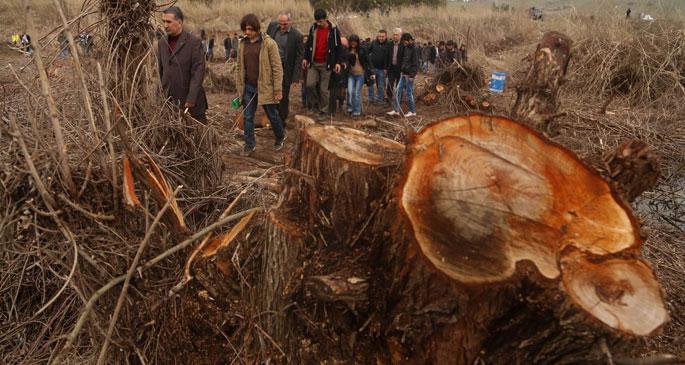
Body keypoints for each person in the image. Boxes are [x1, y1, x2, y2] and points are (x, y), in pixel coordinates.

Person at [236, 13, 286, 156]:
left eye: (250, 29)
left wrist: (278, 89)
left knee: (272, 114)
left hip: (265, 86)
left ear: (257, 28)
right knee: (248, 117)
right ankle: (249, 144)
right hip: (248, 87)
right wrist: (240, 87)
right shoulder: (242, 44)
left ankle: (280, 136)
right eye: (245, 29)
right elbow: (239, 67)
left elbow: (277, 68)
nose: (247, 32)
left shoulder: (269, 44)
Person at [158, 6, 208, 122]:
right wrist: (161, 95)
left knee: (196, 136)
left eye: (169, 22)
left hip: (191, 102)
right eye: (164, 22)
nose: (165, 25)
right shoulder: (162, 43)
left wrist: (191, 98)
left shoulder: (194, 42)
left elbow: (198, 73)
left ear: (179, 22)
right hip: (170, 102)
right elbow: (162, 71)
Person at [303, 8, 343, 115]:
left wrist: (338, 62)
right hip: (314, 62)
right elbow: (308, 45)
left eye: (320, 21)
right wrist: (305, 58)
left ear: (326, 19)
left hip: (327, 64)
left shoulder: (333, 31)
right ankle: (314, 104)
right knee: (309, 84)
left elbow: (339, 47)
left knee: (323, 90)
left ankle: (324, 110)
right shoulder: (313, 28)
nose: (318, 23)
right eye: (316, 21)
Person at [266, 12, 304, 124]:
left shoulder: (297, 36)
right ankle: (273, 117)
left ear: (290, 22)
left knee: (283, 95)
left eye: (285, 24)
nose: (282, 26)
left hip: (286, 69)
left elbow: (299, 58)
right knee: (271, 93)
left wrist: (296, 78)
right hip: (272, 66)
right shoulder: (272, 27)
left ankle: (281, 120)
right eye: (281, 24)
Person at [387, 33, 419, 118]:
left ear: (410, 40)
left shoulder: (414, 49)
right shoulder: (406, 48)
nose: (404, 44)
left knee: (409, 93)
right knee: (397, 90)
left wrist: (412, 75)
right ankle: (396, 110)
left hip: (409, 75)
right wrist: (402, 70)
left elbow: (415, 64)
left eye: (405, 42)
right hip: (404, 73)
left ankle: (412, 111)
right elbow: (404, 60)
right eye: (403, 42)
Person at [346, 34, 370, 117]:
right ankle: (350, 107)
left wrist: (371, 72)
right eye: (351, 42)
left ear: (357, 42)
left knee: (357, 92)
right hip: (351, 74)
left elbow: (368, 60)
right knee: (349, 91)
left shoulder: (362, 49)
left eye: (354, 42)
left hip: (360, 74)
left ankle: (357, 111)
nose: (353, 43)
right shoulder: (347, 50)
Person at [367, 29, 390, 104]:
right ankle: (371, 99)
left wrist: (386, 68)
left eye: (383, 36)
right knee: (370, 84)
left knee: (380, 85)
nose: (381, 38)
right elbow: (367, 51)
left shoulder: (389, 45)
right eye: (379, 36)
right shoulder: (373, 42)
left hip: (382, 69)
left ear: (386, 36)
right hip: (372, 68)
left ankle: (380, 99)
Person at [328, 36, 349, 116]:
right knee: (333, 93)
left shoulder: (347, 51)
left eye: (344, 43)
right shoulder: (333, 50)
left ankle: (340, 105)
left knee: (342, 92)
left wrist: (345, 64)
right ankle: (331, 110)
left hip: (343, 75)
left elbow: (348, 62)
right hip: (333, 74)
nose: (343, 45)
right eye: (341, 43)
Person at [386, 28, 402, 106]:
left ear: (400, 36)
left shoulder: (403, 45)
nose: (395, 36)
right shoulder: (389, 44)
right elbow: (386, 57)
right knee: (390, 84)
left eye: (397, 35)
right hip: (391, 68)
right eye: (394, 34)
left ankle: (398, 101)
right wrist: (385, 68)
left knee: (399, 86)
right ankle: (389, 100)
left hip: (400, 69)